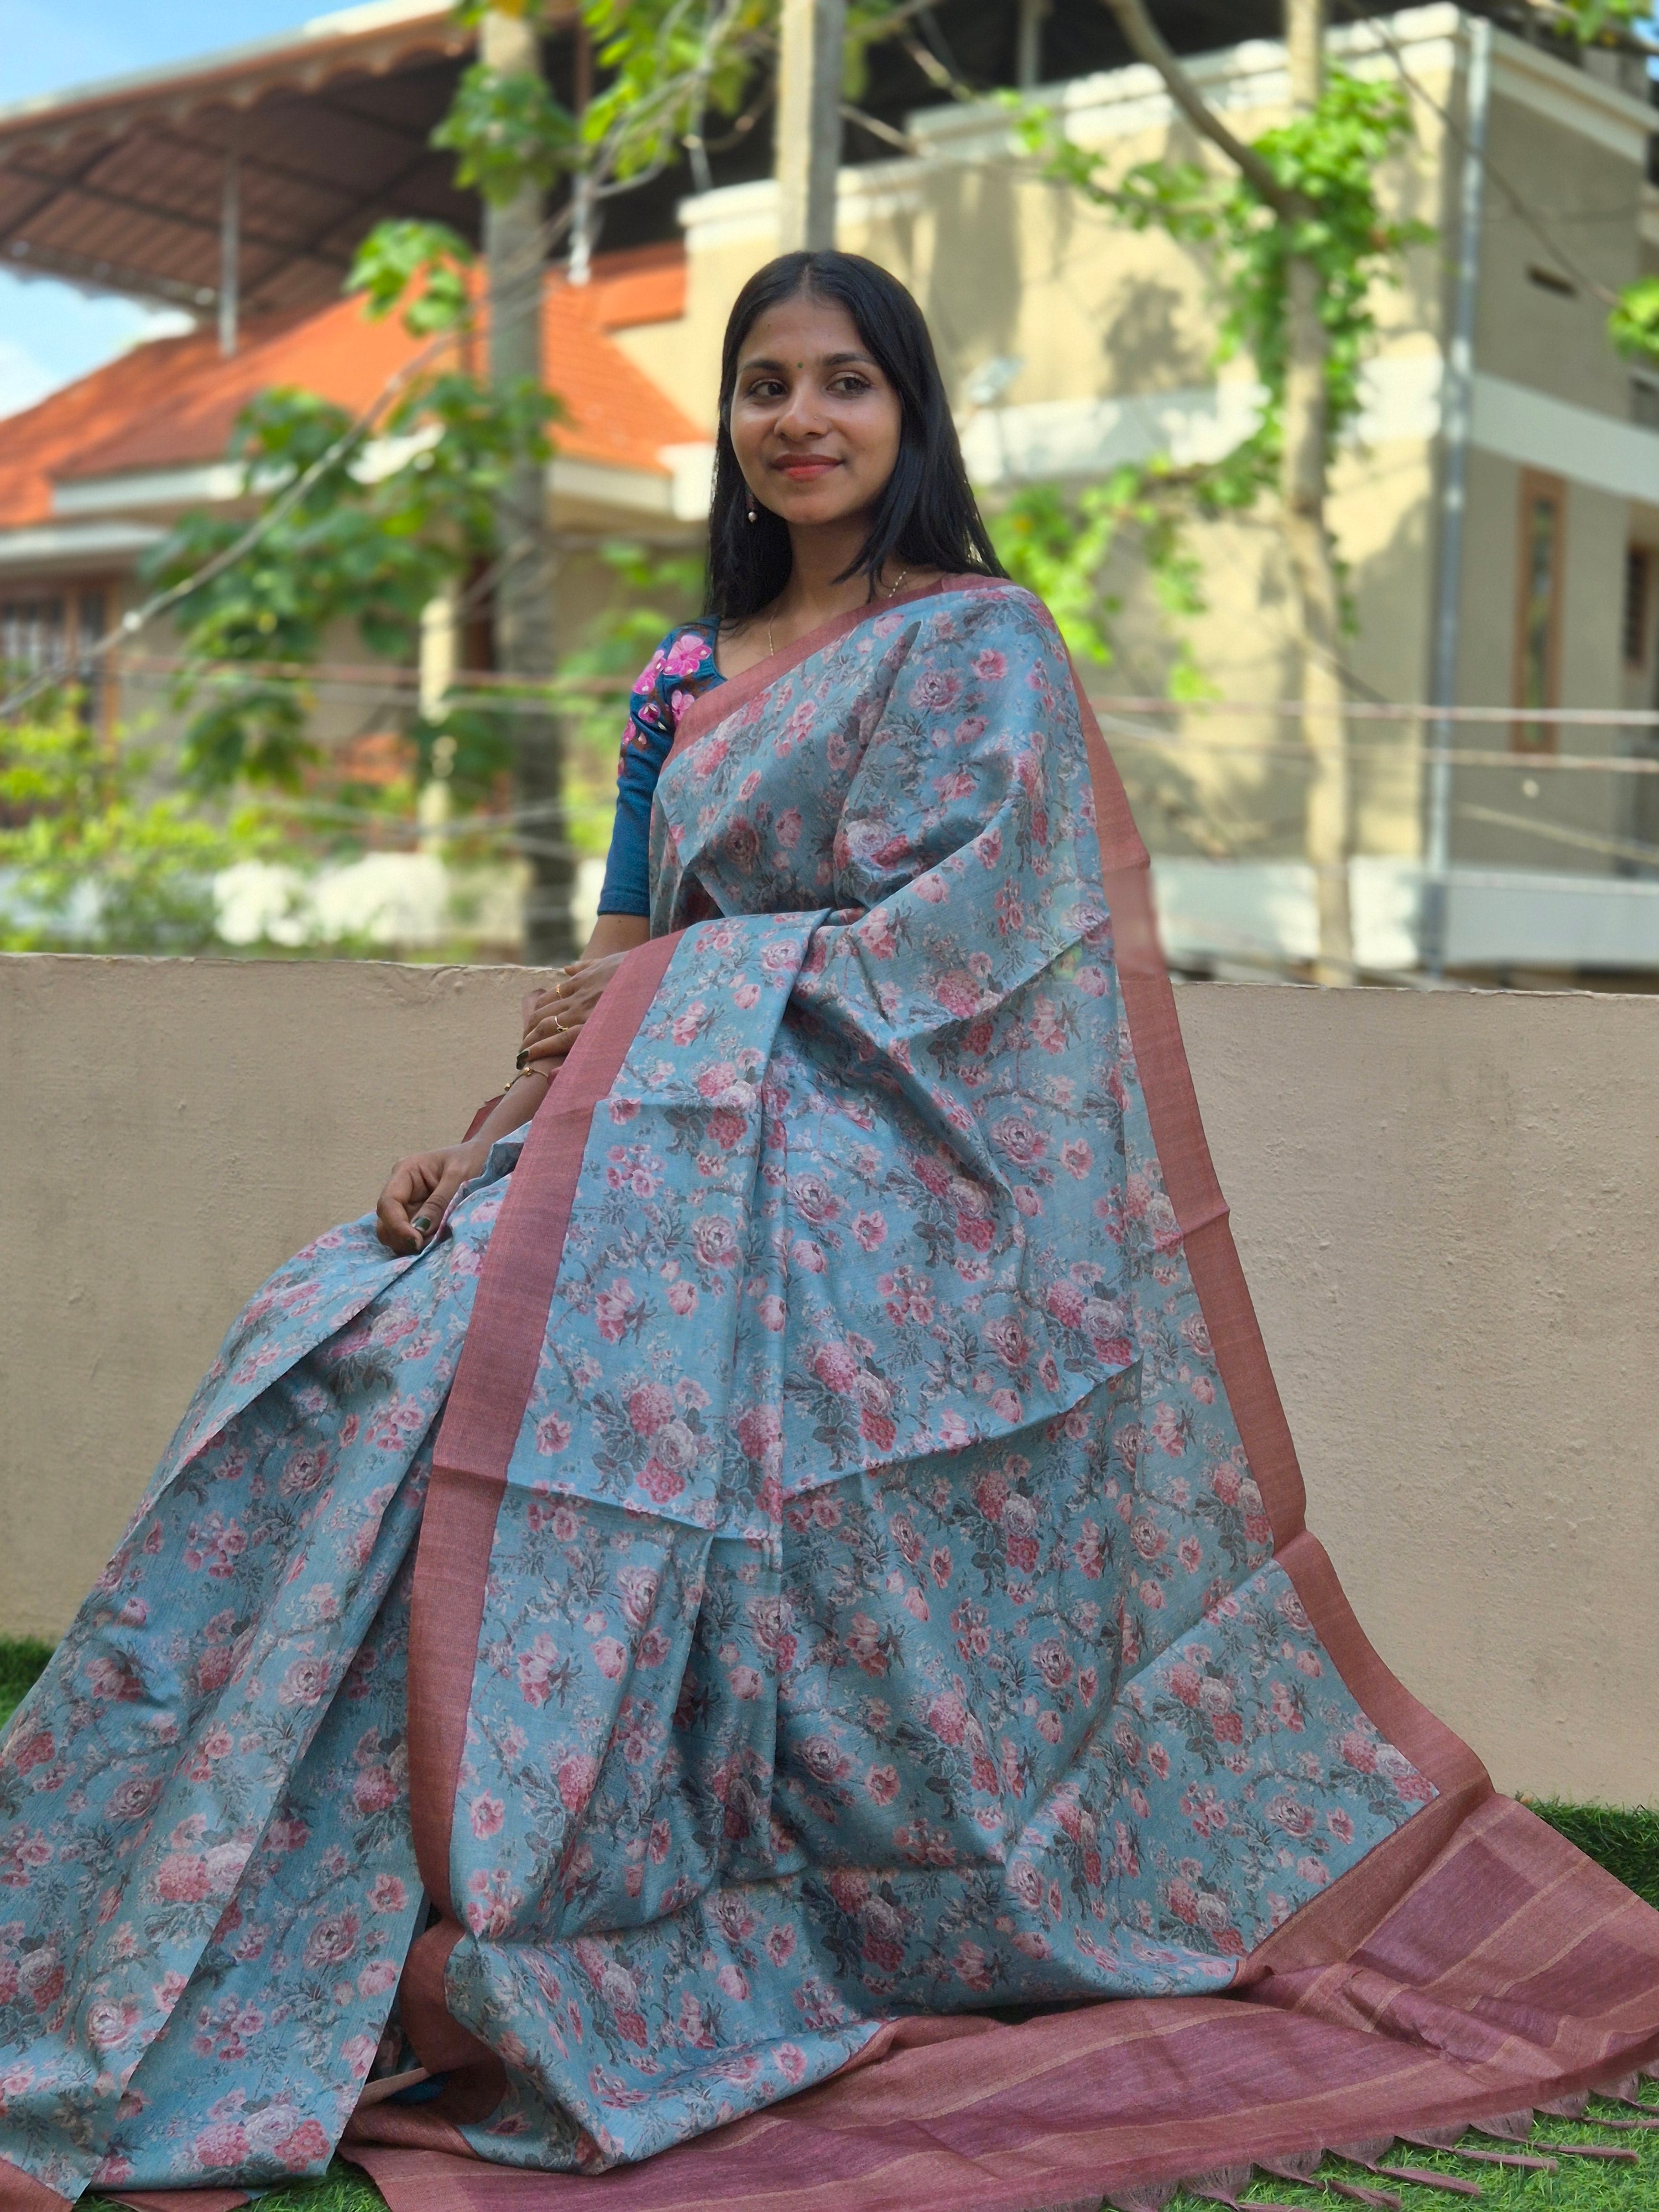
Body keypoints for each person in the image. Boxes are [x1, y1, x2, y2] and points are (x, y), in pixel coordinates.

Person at [1, 253, 1655, 2212]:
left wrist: (681, 1005)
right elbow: (621, 953)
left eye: (845, 381)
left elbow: (982, 961)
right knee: (343, 1332)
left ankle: (591, 1889)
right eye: (765, 383)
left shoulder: (977, 646)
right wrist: (491, 1135)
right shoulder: (680, 681)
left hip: (880, 1175)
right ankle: (226, 1898)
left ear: (908, 411)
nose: (800, 418)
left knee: (516, 1394)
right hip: (655, 1142)